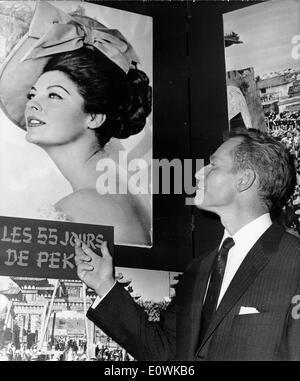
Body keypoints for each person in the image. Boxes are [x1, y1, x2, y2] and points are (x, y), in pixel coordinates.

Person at [75, 128, 300, 361]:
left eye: (213, 165)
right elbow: (164, 353)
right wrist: (104, 284)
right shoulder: (198, 270)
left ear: (244, 179)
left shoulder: (295, 263)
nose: (199, 174)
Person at [0, 1, 152, 246]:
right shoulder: (120, 191)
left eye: (54, 95)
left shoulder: (76, 210)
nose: (33, 105)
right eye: (32, 94)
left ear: (94, 116)